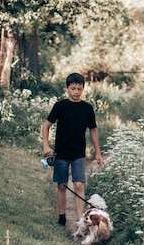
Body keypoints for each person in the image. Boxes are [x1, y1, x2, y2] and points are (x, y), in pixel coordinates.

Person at [42, 72, 103, 226]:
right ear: (67, 88)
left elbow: (93, 130)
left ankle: (80, 221)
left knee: (78, 185)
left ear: (83, 89)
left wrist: (98, 152)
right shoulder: (60, 106)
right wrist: (46, 145)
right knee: (62, 185)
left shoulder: (87, 108)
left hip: (78, 154)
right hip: (61, 153)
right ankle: (62, 217)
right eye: (73, 88)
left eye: (79, 89)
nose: (76, 92)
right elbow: (46, 125)